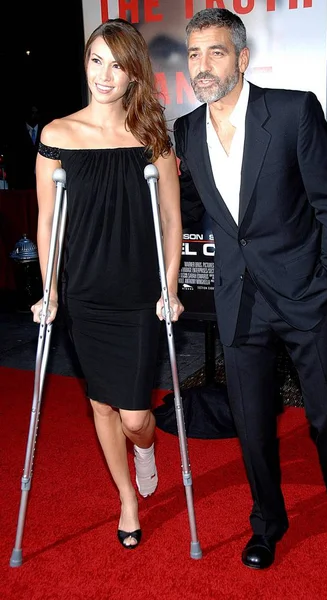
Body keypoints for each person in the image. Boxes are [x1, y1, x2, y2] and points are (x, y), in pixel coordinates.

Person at [174, 8, 327, 570]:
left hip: (304, 296)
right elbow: (201, 209)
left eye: (215, 52)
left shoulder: (293, 111)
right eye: (194, 54)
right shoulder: (187, 131)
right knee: (252, 423)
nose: (202, 65)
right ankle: (267, 523)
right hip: (238, 302)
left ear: (242, 58)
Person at [31, 18, 183, 549]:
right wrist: (49, 291)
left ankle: (145, 448)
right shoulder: (57, 135)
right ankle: (125, 498)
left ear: (133, 74)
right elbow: (47, 221)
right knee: (101, 405)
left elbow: (170, 219)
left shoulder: (152, 138)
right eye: (97, 60)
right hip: (87, 294)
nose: (104, 74)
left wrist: (171, 287)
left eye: (117, 64)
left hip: (139, 294)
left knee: (137, 414)